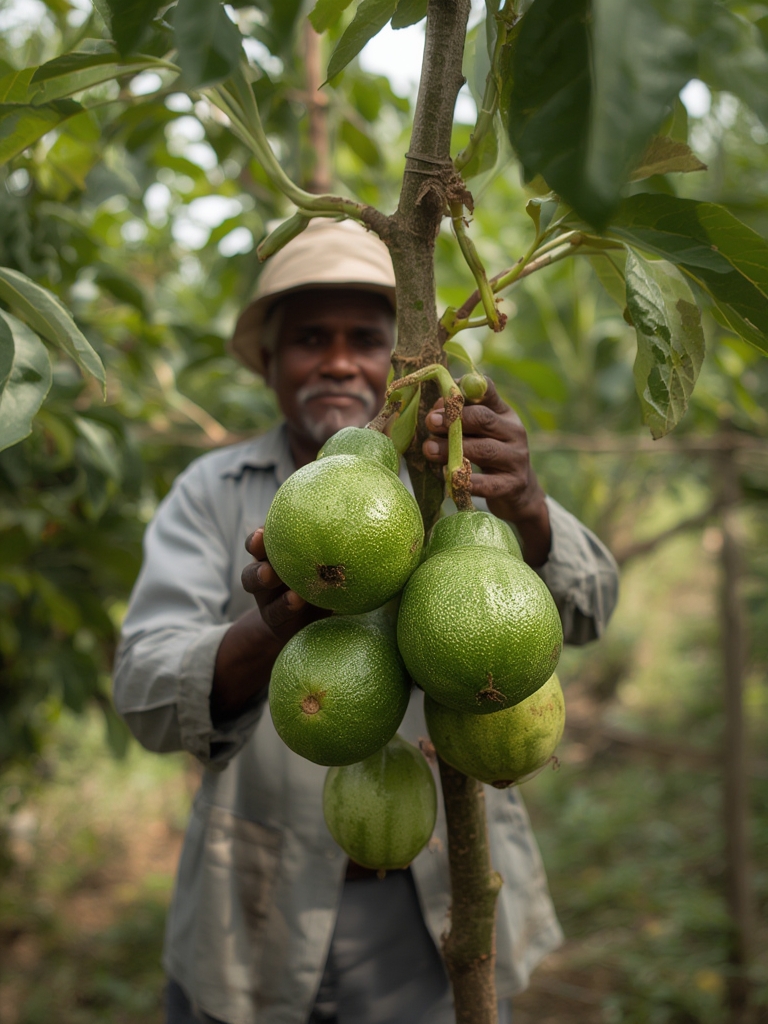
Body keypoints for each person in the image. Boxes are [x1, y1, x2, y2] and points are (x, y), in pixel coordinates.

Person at [114, 219, 619, 1024]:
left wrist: (520, 505)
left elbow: (590, 609)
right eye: (311, 337)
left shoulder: (456, 479)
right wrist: (273, 628)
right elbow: (142, 693)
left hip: (435, 919)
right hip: (250, 921)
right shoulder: (211, 494)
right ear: (271, 362)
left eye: (365, 338)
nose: (340, 360)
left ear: (404, 360)